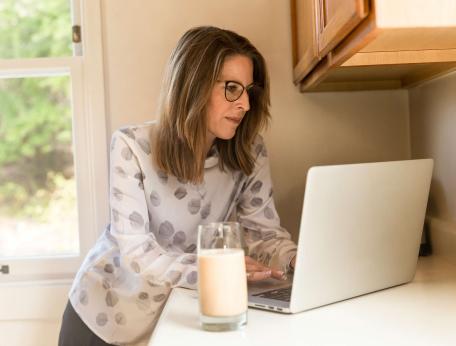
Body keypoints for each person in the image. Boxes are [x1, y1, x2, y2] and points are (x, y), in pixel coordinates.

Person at [58, 26, 297, 346]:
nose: (245, 104)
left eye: (248, 91)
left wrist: (299, 260)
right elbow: (137, 254)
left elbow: (264, 235)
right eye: (231, 88)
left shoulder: (249, 153)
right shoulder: (131, 146)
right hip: (103, 317)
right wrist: (217, 270)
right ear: (192, 86)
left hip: (172, 318)